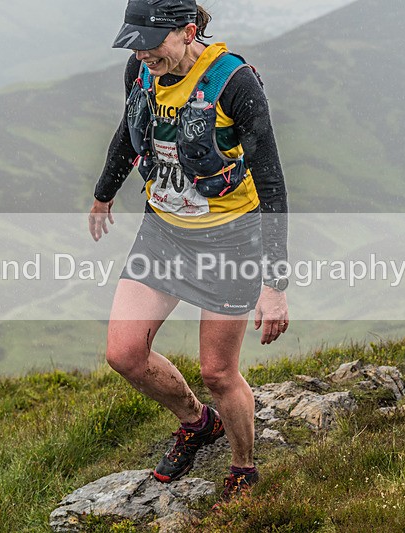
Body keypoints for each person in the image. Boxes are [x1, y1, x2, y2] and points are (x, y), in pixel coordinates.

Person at [88, 0, 289, 503]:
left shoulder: (235, 83)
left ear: (188, 31)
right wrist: (104, 192)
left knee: (218, 373)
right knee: (124, 354)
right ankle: (198, 424)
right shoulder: (142, 70)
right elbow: (129, 131)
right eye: (134, 43)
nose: (142, 53)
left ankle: (243, 467)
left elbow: (270, 182)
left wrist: (274, 284)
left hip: (230, 241)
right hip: (163, 233)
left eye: (150, 42)